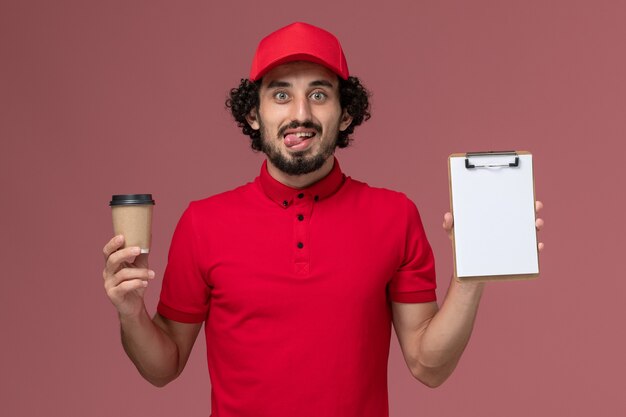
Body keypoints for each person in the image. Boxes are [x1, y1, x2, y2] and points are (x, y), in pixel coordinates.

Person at [102, 22, 545, 417]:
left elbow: (428, 367)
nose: (300, 114)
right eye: (281, 94)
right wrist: (129, 312)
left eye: (318, 94)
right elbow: (163, 367)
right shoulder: (203, 223)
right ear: (253, 115)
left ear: (345, 113)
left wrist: (472, 272)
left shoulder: (395, 215)